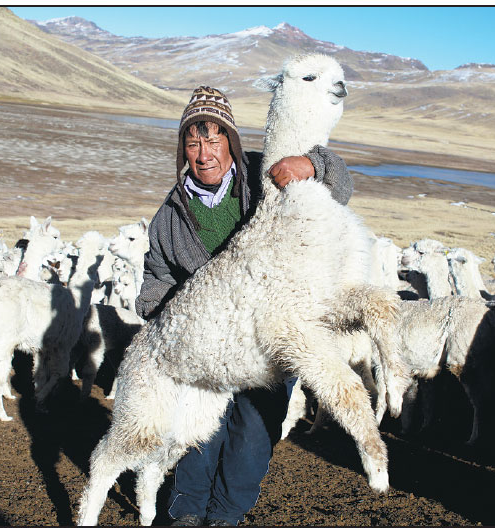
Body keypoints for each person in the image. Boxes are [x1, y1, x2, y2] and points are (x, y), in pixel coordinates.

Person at [135, 86, 353, 527]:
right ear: (183, 149)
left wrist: (313, 165)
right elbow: (156, 281)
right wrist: (169, 319)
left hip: (268, 335)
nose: (204, 153)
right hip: (207, 346)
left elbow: (342, 187)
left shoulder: (265, 177)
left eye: (214, 139)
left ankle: (227, 515)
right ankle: (186, 511)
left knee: (253, 435)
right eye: (193, 142)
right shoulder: (170, 216)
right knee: (198, 432)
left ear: (231, 142)